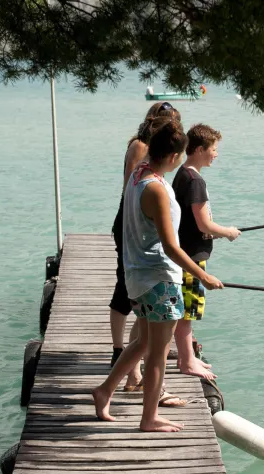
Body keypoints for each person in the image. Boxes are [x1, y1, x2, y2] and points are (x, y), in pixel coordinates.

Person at [93, 118, 223, 432]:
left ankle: (104, 390)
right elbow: (171, 246)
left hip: (138, 277)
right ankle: (148, 418)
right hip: (159, 279)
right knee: (157, 354)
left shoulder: (138, 175)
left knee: (142, 342)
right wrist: (202, 276)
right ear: (173, 156)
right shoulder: (156, 190)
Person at [109, 102, 180, 381]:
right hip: (135, 224)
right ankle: (120, 353)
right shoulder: (141, 150)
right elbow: (132, 189)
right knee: (125, 290)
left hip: (144, 227)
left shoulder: (156, 168)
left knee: (144, 327)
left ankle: (124, 375)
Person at [172, 124, 240, 380]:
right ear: (200, 150)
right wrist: (227, 232)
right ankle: (187, 361)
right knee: (187, 311)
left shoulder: (182, 174)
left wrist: (213, 232)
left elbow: (193, 223)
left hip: (184, 251)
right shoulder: (196, 181)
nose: (216, 154)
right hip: (191, 256)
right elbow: (203, 224)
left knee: (184, 309)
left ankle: (186, 356)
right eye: (213, 149)